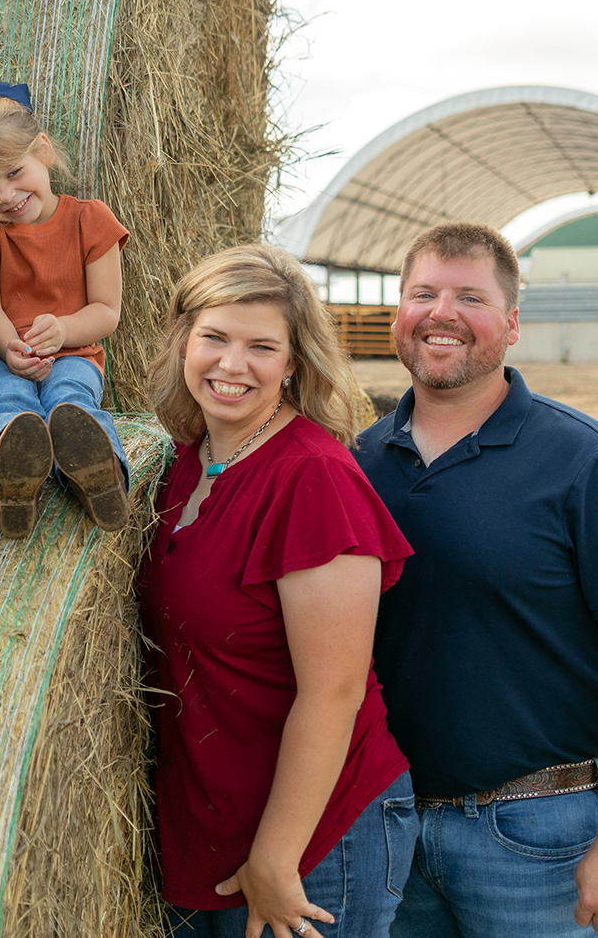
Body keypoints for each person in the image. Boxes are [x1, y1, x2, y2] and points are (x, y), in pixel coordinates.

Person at [354, 222, 598, 937]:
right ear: (400, 313)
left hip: (540, 837)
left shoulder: (587, 463)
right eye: (424, 293)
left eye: (470, 297)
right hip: (390, 827)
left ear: (511, 325)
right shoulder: (357, 462)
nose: (442, 312)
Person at [139, 243, 419, 938]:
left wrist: (276, 853)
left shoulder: (313, 479)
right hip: (207, 822)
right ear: (184, 343)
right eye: (214, 339)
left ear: (294, 361)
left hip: (315, 837)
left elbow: (334, 691)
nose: (232, 366)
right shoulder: (186, 461)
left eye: (261, 346)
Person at [0, 83, 131, 538]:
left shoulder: (91, 220)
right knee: (8, 398)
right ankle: (11, 477)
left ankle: (101, 476)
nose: (5, 196)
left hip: (73, 353)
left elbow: (107, 311)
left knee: (71, 399)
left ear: (43, 150)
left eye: (13, 172)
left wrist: (64, 329)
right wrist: (10, 347)